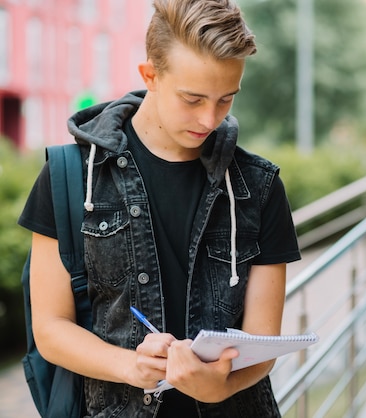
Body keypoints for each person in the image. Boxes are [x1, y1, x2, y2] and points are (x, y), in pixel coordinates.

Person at [18, 0, 301, 416]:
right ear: (149, 75)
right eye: (192, 98)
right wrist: (132, 366)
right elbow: (50, 329)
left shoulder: (258, 187)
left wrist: (218, 389)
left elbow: (263, 343)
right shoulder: (69, 176)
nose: (210, 119)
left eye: (226, 99)